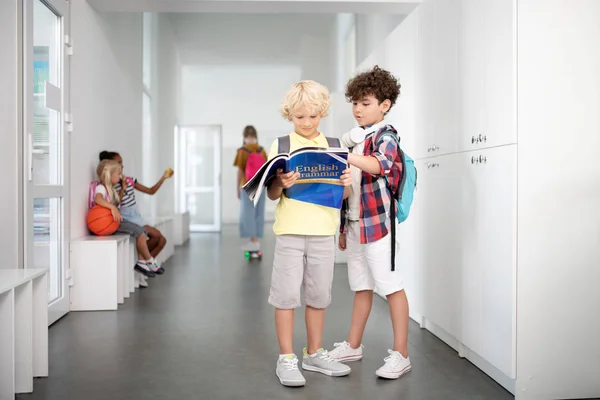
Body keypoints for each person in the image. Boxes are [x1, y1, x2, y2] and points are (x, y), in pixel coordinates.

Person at [327, 66, 411, 380]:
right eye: (355, 103)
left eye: (365, 103)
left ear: (384, 105)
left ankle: (401, 354)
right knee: (361, 287)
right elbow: (350, 188)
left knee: (391, 287)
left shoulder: (385, 136)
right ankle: (353, 345)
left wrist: (342, 154)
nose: (358, 109)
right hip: (356, 225)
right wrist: (343, 228)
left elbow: (381, 165)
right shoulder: (358, 140)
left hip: (380, 228)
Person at [266, 80, 353, 387]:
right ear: (290, 114)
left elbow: (343, 197)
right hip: (290, 232)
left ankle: (314, 353)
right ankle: (286, 357)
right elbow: (273, 194)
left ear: (322, 113)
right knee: (286, 296)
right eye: (299, 117)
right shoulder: (282, 146)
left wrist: (346, 182)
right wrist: (282, 183)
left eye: (313, 116)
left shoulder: (333, 146)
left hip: (322, 233)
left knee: (318, 296)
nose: (306, 123)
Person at [99, 151, 172, 267]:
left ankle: (143, 266)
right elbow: (116, 203)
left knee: (162, 241)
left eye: (122, 162)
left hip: (136, 215)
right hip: (127, 217)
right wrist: (122, 188)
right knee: (157, 236)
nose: (122, 166)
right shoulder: (111, 184)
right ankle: (143, 263)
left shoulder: (130, 180)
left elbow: (151, 191)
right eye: (118, 163)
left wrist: (163, 177)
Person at [93, 159, 159, 278]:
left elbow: (117, 201)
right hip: (107, 223)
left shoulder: (111, 188)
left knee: (142, 231)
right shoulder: (101, 188)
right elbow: (98, 199)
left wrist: (123, 188)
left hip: (113, 221)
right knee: (140, 232)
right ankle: (149, 260)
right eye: (118, 174)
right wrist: (112, 208)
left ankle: (142, 262)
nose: (120, 177)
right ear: (110, 175)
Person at [233, 125, 268, 251]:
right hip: (260, 185)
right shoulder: (261, 150)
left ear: (244, 137)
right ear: (255, 137)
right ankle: (256, 241)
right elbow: (266, 169)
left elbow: (240, 171)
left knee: (247, 214)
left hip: (247, 185)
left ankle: (252, 241)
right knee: (258, 213)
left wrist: (237, 188)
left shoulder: (242, 151)